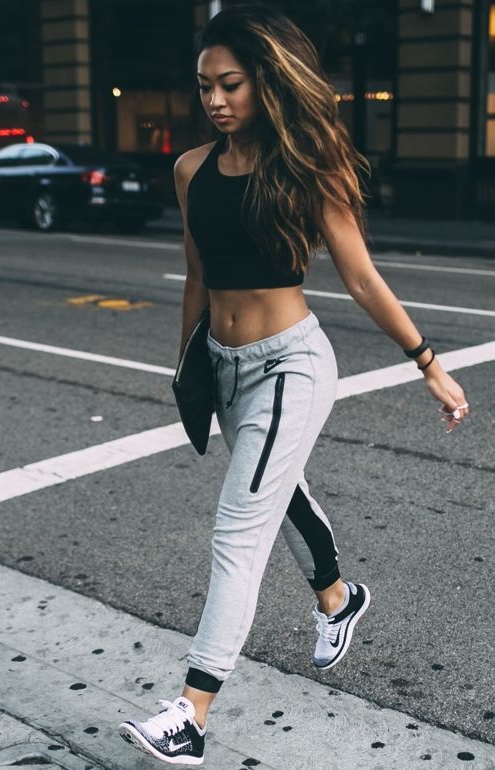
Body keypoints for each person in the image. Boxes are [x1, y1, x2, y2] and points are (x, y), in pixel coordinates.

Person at [118, 3, 469, 765]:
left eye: (231, 84)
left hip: (292, 363)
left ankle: (190, 714)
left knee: (237, 530)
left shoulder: (308, 168)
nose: (215, 99)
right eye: (204, 85)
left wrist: (430, 365)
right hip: (228, 364)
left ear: (265, 83)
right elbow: (197, 277)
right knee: (279, 496)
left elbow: (364, 279)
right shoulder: (189, 170)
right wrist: (189, 367)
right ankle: (339, 600)